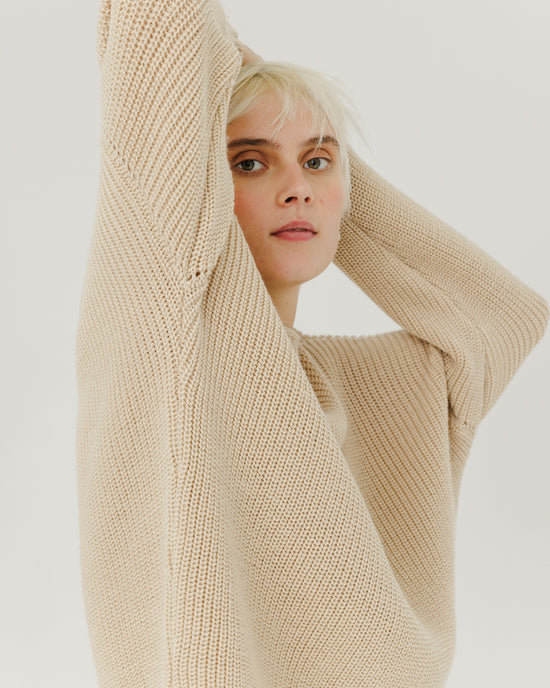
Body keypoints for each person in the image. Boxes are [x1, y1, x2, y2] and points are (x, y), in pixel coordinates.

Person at [75, 1, 548, 687]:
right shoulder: (165, 334)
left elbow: (501, 320)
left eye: (318, 162)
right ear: (200, 178)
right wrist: (228, 59)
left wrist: (315, 161)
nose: (298, 190)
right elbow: (161, 24)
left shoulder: (371, 382)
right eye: (249, 162)